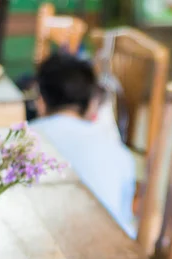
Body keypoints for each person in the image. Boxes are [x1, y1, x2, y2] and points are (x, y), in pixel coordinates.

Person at [30, 53, 137, 237]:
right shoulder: (116, 150)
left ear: (40, 101)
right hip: (113, 254)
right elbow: (124, 214)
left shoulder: (23, 140)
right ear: (92, 103)